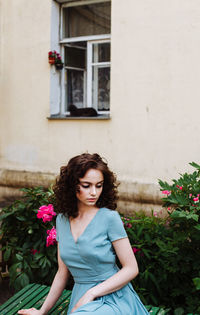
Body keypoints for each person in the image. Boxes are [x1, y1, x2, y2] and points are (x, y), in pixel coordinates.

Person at [18, 153, 149, 315]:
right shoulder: (62, 220)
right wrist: (42, 311)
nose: (94, 192)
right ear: (72, 185)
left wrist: (92, 293)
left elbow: (131, 268)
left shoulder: (109, 218)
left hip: (113, 297)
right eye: (86, 185)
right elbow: (62, 272)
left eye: (99, 185)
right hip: (81, 299)